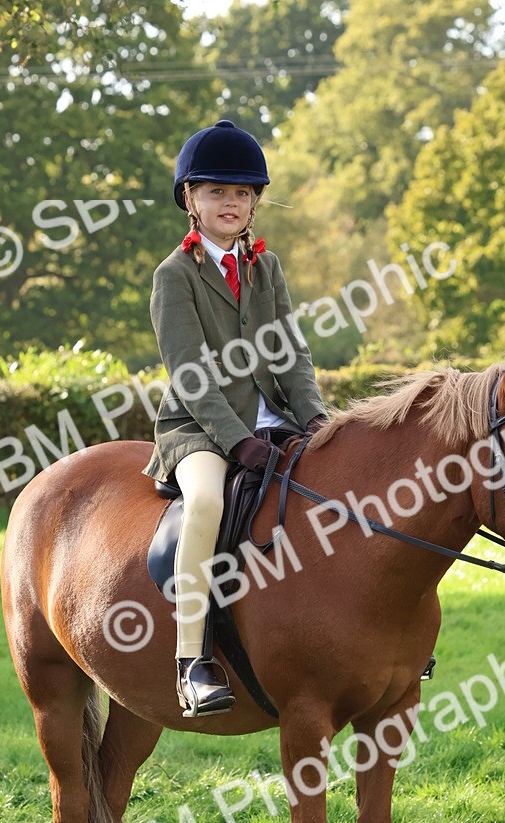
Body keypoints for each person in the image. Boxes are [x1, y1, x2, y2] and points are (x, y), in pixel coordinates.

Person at [143, 118, 329, 717]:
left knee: (344, 478)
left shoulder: (265, 268)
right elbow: (190, 373)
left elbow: (291, 354)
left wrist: (317, 420)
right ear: (190, 199)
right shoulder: (174, 276)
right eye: (217, 191)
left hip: (272, 417)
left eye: (243, 193)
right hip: (199, 428)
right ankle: (192, 663)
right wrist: (236, 440)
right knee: (206, 503)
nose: (231, 202)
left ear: (254, 204)